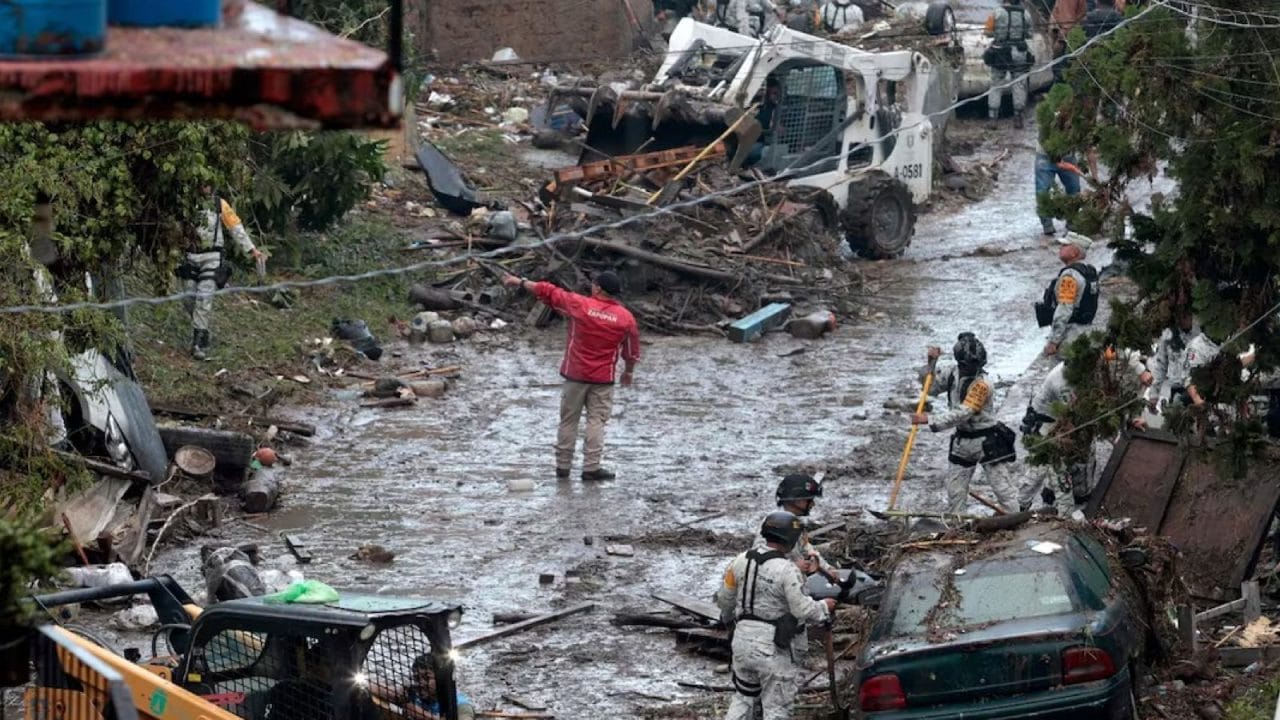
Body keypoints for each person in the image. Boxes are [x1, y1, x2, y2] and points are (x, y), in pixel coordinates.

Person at [502, 271, 640, 481]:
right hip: (603, 379)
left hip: (575, 375)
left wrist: (519, 282)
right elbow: (631, 351)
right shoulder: (625, 318)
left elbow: (548, 291)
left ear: (598, 288)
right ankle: (591, 468)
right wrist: (628, 372)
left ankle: (563, 466)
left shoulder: (579, 305)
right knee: (597, 422)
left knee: (568, 421)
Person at [715, 511, 834, 720]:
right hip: (772, 647)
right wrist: (824, 607)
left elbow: (725, 600)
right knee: (777, 708)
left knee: (743, 699)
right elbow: (802, 610)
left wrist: (731, 624)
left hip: (742, 643)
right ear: (789, 539)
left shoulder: (739, 560)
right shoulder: (788, 570)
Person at [1019, 351, 1152, 515]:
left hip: (1075, 426)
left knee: (1085, 464)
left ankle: (1080, 502)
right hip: (1049, 428)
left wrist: (1132, 417)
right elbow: (1087, 416)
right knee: (1047, 471)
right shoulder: (1062, 383)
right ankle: (1025, 508)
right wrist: (1116, 438)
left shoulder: (1092, 369)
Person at [911, 333, 1021, 514]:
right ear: (960, 363)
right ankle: (958, 526)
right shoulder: (952, 373)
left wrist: (930, 420)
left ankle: (1016, 519)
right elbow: (930, 388)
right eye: (969, 365)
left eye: (976, 365)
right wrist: (931, 364)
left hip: (987, 441)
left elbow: (964, 413)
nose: (973, 369)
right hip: (962, 441)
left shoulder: (982, 384)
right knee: (955, 491)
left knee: (1002, 488)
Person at [181, 188, 266, 360]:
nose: (204, 187)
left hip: (212, 257)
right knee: (188, 297)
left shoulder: (219, 204)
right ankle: (203, 331)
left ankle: (198, 342)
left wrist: (251, 250)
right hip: (190, 256)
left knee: (204, 298)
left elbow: (236, 228)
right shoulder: (186, 203)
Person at [751, 474, 834, 578]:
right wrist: (792, 566)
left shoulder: (796, 522)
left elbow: (806, 548)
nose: (813, 504)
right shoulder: (771, 525)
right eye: (809, 500)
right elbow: (759, 561)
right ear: (797, 501)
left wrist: (827, 568)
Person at [1037, 233, 1099, 357]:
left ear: (1074, 252)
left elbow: (1064, 308)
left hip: (1070, 334)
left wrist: (1053, 341)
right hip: (1086, 331)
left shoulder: (1069, 276)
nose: (1061, 248)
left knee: (1059, 373)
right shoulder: (1089, 272)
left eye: (1065, 245)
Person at [369, 653, 475, 720]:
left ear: (441, 679)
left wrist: (418, 713)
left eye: (427, 678)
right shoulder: (412, 694)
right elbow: (374, 688)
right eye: (417, 678)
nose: (421, 683)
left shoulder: (461, 706)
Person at [984, 0, 1033, 127]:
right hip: (1020, 52)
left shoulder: (996, 12)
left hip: (1000, 53)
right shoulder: (1026, 14)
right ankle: (1018, 117)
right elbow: (1029, 34)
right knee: (1019, 84)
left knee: (996, 84)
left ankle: (993, 119)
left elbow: (987, 32)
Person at [1147, 311, 1200, 413]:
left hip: (1198, 388)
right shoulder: (1168, 336)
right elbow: (1160, 365)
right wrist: (1154, 394)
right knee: (1175, 413)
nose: (1182, 320)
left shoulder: (1201, 334)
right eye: (1179, 317)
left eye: (1185, 316)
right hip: (1177, 387)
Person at [1035, 140, 1083, 236]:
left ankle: (1072, 222)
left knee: (1074, 188)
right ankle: (1047, 225)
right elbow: (1044, 135)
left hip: (1068, 155)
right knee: (1042, 191)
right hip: (1045, 155)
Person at [744, 80, 783, 169]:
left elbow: (783, 131)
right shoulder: (759, 107)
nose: (776, 96)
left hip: (772, 144)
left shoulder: (780, 108)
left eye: (777, 93)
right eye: (773, 93)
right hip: (758, 141)